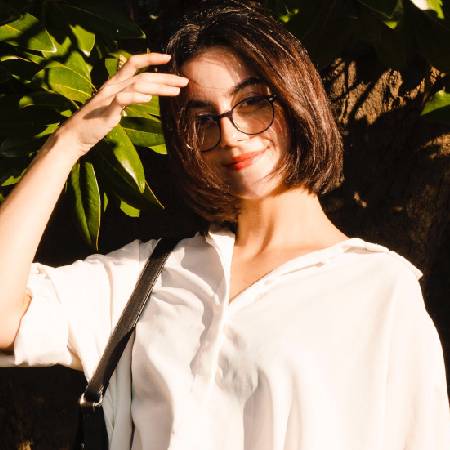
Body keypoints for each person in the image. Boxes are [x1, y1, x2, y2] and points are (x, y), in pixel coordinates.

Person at [1, 1, 449, 449]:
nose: (231, 134)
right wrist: (69, 142)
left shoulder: (377, 287)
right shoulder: (148, 275)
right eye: (202, 119)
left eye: (252, 102)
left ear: (296, 97)